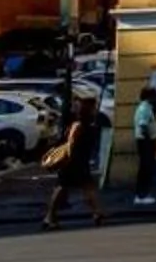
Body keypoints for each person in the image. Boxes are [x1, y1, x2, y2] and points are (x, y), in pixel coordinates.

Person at [40, 98, 108, 230]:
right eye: (93, 108)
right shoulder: (78, 125)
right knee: (64, 188)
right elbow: (70, 144)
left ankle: (97, 212)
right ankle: (49, 217)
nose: (95, 110)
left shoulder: (87, 125)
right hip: (72, 162)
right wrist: (68, 158)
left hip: (78, 161)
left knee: (84, 186)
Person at [129, 89, 156, 206]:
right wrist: (148, 139)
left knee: (147, 168)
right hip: (145, 142)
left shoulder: (147, 108)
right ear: (149, 96)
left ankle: (144, 193)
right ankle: (141, 195)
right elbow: (143, 125)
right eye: (155, 96)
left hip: (146, 141)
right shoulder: (145, 108)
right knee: (145, 168)